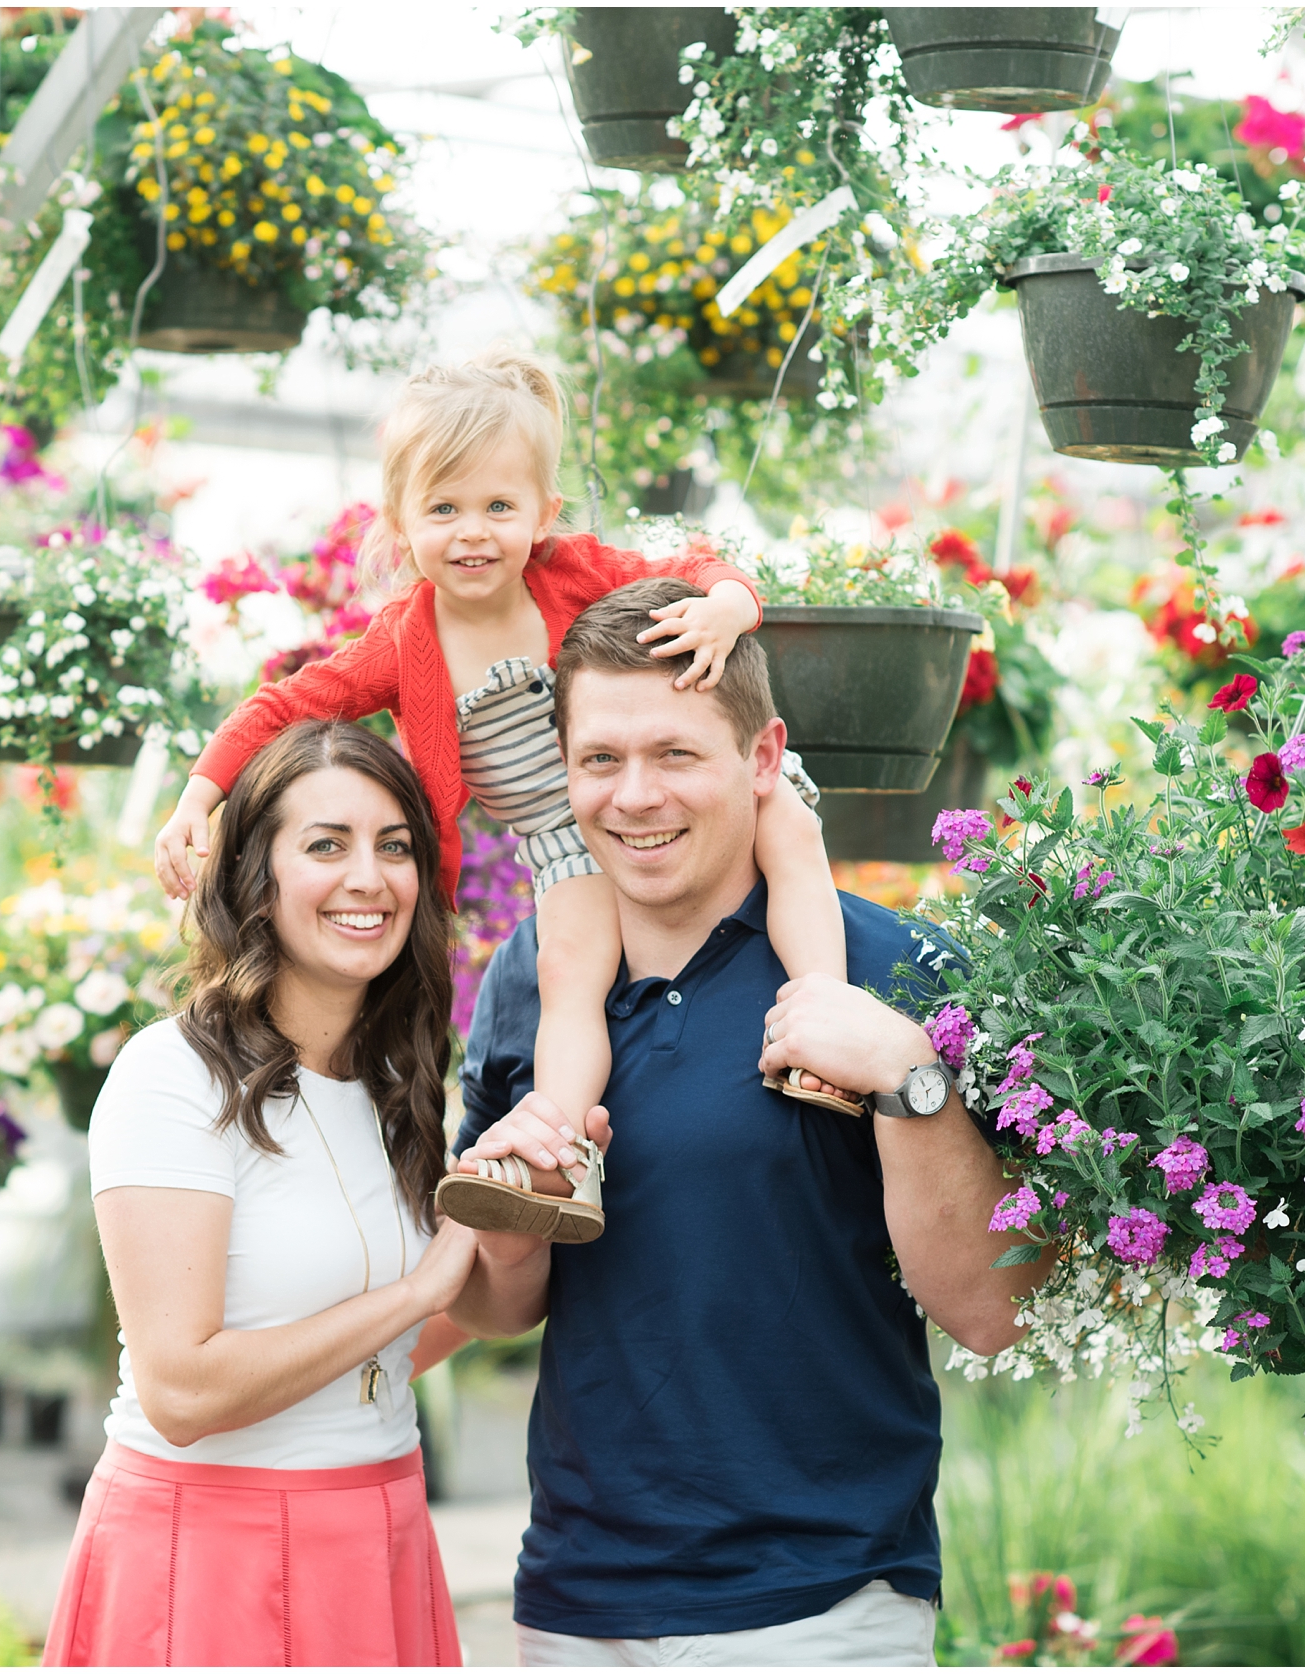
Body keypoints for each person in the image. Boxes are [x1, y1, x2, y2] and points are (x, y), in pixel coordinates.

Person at [446, 578, 1057, 1668]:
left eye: (675, 754)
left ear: (764, 758)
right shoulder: (532, 982)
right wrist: (506, 1214)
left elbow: (995, 1310)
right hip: (576, 1606)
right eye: (599, 760)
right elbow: (504, 1307)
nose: (632, 797)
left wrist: (908, 1078)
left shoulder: (899, 973)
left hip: (823, 1606)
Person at [154, 348, 853, 1249]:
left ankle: (822, 1023)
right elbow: (289, 704)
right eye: (443, 509)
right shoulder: (402, 639)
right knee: (569, 978)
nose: (472, 531)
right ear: (402, 525)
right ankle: (555, 1156)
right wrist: (196, 798)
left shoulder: (570, 572)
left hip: (648, 794)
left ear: (543, 515)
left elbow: (697, 561)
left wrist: (727, 607)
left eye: (498, 506)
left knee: (789, 833)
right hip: (563, 838)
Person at [46, 720, 480, 1668]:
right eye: (326, 844)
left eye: (394, 846)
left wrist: (513, 1234)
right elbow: (182, 1389)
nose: (369, 877)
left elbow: (398, 1348)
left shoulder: (400, 1082)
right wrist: (416, 1291)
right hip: (211, 1555)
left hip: (380, 1529)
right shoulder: (174, 1077)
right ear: (256, 876)